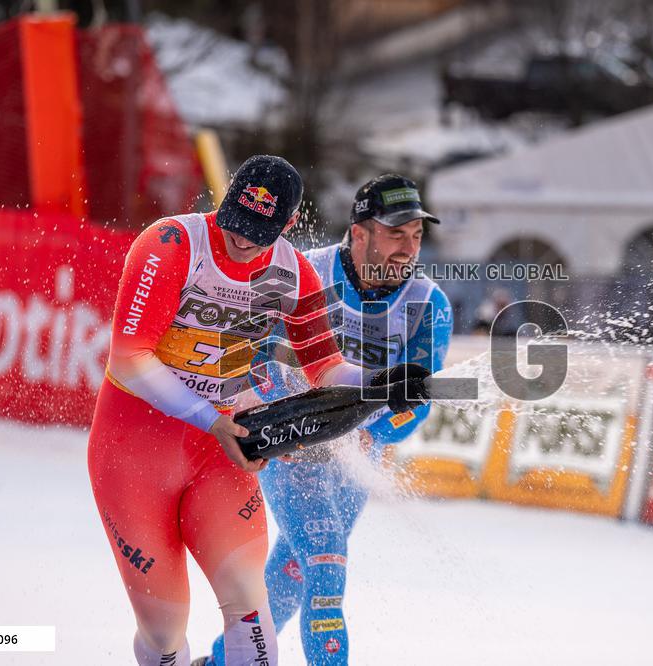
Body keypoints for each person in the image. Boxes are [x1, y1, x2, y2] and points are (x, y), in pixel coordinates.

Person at [88, 156, 425, 666]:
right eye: (235, 224)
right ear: (223, 202)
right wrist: (213, 420)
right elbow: (130, 360)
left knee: (250, 610)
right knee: (164, 633)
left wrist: (382, 384)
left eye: (259, 233)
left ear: (287, 226)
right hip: (133, 451)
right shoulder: (171, 245)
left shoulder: (293, 272)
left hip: (218, 453)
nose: (242, 241)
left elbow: (325, 370)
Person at [199, 174, 453, 665]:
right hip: (290, 441)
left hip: (355, 457)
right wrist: (277, 415)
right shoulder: (301, 272)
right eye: (395, 233)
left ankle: (219, 661)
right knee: (326, 566)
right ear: (359, 233)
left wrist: (369, 434)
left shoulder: (430, 305)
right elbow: (247, 354)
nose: (408, 248)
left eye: (416, 236)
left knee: (294, 572)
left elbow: (419, 399)